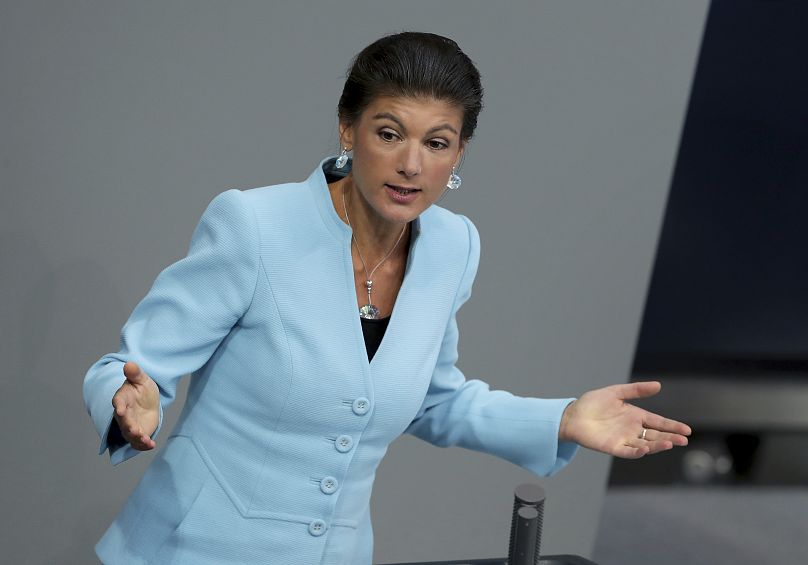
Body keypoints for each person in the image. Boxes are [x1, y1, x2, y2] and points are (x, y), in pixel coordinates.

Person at [83, 31, 691, 565]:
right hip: (195, 551)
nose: (410, 164)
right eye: (390, 133)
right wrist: (129, 402)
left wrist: (562, 419)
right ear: (349, 128)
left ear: (459, 154)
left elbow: (430, 399)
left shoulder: (454, 246)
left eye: (436, 143)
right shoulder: (254, 225)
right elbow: (130, 369)